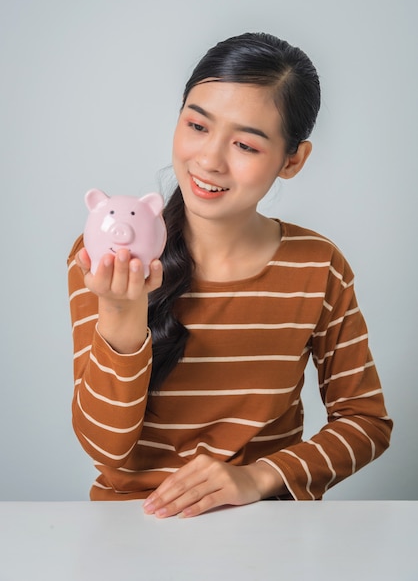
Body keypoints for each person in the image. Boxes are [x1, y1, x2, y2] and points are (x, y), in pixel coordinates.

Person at [67, 32, 392, 518]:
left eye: (245, 143)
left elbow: (366, 421)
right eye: (197, 125)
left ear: (293, 160)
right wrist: (120, 315)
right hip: (132, 526)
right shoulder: (105, 256)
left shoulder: (318, 265)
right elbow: (105, 450)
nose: (209, 159)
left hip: (268, 529)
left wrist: (258, 477)